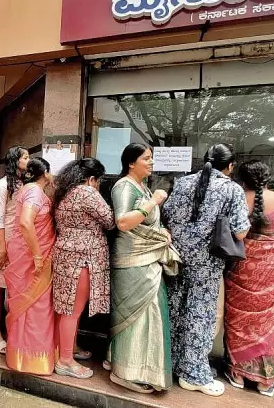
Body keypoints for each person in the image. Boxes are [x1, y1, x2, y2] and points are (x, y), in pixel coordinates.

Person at [163, 144, 250, 397]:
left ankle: (173, 364)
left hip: (176, 259)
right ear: (230, 166)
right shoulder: (232, 189)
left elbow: (167, 215)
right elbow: (240, 231)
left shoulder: (181, 183)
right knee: (200, 317)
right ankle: (193, 374)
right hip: (207, 264)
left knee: (175, 312)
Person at [107, 144, 180, 393]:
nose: (151, 163)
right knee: (137, 315)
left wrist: (160, 233)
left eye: (152, 159)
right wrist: (154, 202)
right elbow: (124, 222)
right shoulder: (123, 186)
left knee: (150, 313)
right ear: (130, 163)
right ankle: (125, 372)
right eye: (146, 159)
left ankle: (129, 364)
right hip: (131, 261)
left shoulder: (142, 187)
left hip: (148, 259)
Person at [224, 160, 274, 398]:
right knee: (267, 323)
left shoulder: (239, 198)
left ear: (241, 180)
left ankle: (238, 374)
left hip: (245, 262)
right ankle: (265, 381)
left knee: (238, 318)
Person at [51, 158, 115, 379]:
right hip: (83, 257)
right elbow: (109, 220)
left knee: (65, 308)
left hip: (64, 254)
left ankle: (68, 349)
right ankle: (66, 361)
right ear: (91, 179)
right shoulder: (87, 192)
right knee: (73, 311)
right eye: (98, 181)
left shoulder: (64, 191)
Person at [4, 157, 57, 375]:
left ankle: (19, 357)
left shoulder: (27, 190)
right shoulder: (35, 192)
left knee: (28, 304)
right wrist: (37, 256)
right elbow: (26, 222)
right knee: (36, 305)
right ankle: (34, 359)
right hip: (31, 255)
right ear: (45, 173)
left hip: (24, 251)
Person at [0, 145, 29, 354]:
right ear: (16, 160)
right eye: (25, 157)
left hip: (22, 243)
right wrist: (2, 247)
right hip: (5, 239)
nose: (28, 160)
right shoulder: (4, 184)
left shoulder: (27, 184)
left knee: (17, 287)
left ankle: (14, 331)